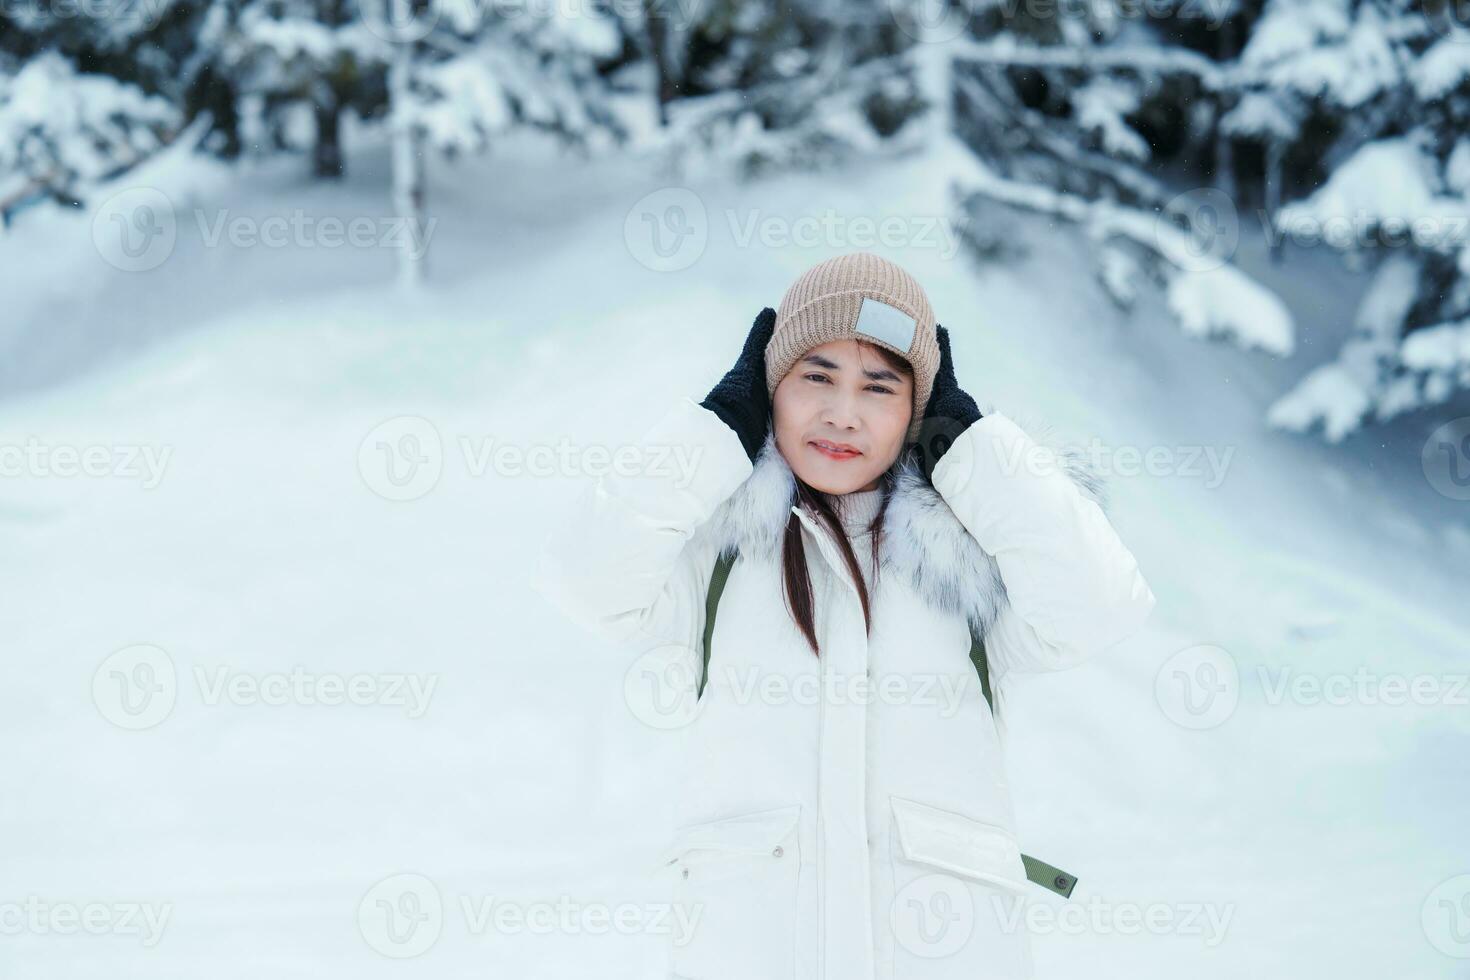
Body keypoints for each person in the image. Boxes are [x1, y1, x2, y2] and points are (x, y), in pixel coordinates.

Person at [532, 252, 1156, 980]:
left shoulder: (967, 566)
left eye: (880, 387)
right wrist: (717, 433)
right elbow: (584, 580)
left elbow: (1101, 604)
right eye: (816, 377)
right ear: (770, 391)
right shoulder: (723, 554)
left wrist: (967, 446)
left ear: (918, 411)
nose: (842, 413)